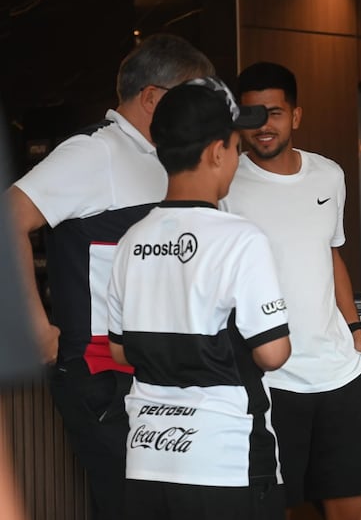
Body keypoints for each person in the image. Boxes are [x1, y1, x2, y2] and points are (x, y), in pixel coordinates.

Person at [6, 33, 215, 520]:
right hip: (102, 372)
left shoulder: (164, 159)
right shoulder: (94, 151)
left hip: (155, 373)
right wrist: (35, 324)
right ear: (152, 98)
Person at [106, 76, 290, 520]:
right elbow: (273, 353)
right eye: (236, 146)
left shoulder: (131, 241)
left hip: (147, 458)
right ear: (216, 152)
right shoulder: (241, 239)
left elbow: (119, 350)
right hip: (225, 461)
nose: (237, 158)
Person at [220, 61, 361, 520]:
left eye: (274, 113)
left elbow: (330, 255)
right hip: (270, 375)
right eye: (252, 115)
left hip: (338, 370)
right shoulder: (226, 183)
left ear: (295, 115)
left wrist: (355, 330)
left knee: (352, 507)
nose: (263, 126)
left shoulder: (329, 175)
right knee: (281, 507)